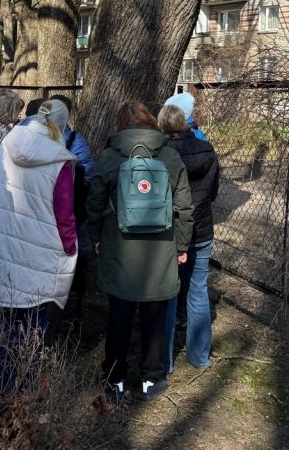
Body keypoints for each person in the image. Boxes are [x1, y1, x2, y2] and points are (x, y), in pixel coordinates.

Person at [87, 100, 192, 402]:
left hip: (120, 249)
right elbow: (184, 207)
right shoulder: (170, 157)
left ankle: (115, 379)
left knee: (118, 316)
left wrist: (95, 237)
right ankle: (151, 379)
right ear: (150, 122)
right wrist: (182, 245)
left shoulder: (109, 157)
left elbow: (94, 203)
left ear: (120, 125)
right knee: (155, 316)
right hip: (160, 251)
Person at [0, 99, 77, 392]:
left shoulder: (4, 144)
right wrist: (70, 247)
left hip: (2, 242)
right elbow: (64, 213)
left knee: (5, 323)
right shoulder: (60, 159)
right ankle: (25, 392)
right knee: (35, 326)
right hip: (43, 250)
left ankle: (2, 386)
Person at [159, 103, 220, 372]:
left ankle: (165, 361)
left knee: (168, 293)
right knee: (198, 291)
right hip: (202, 230)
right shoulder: (208, 151)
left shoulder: (162, 155)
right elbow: (213, 192)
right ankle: (199, 356)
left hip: (171, 232)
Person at [48, 94, 95, 317]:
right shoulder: (76, 141)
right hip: (72, 208)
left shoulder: (38, 139)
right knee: (75, 256)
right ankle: (72, 305)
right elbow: (89, 174)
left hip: (54, 209)